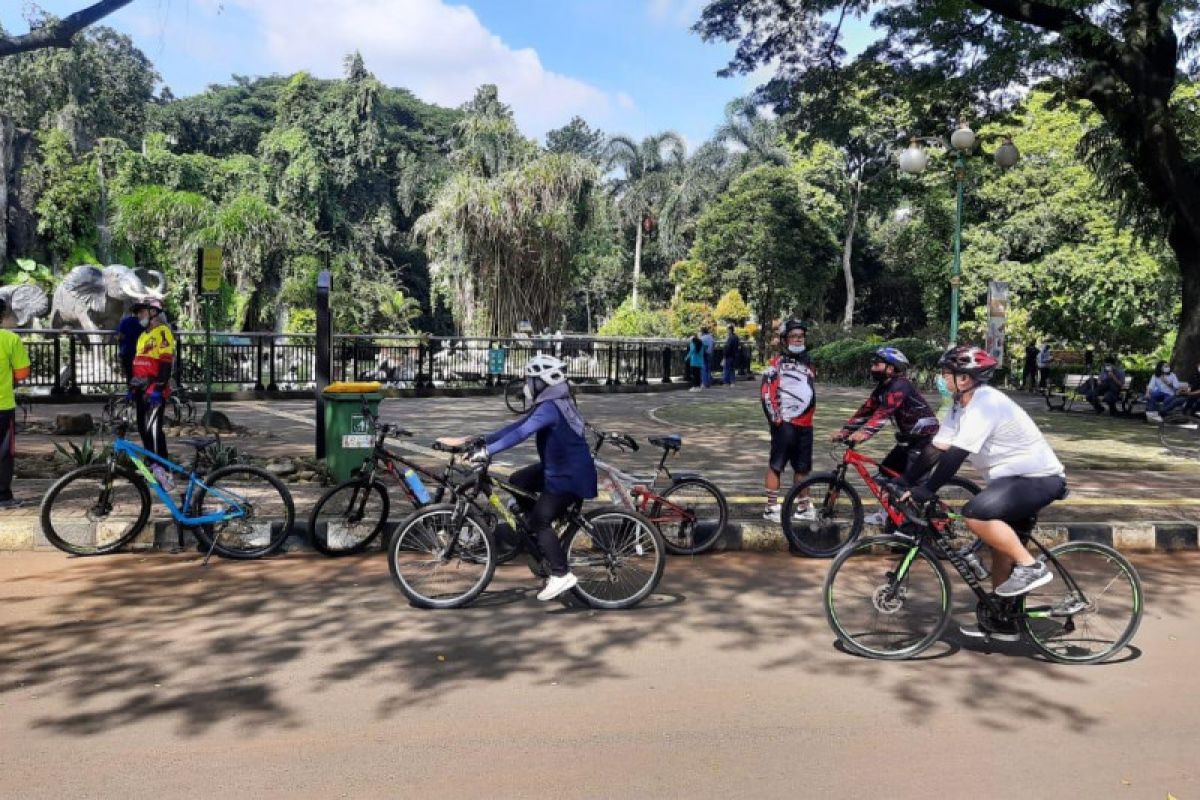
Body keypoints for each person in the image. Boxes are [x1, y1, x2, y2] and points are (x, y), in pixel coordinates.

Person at [897, 346, 1067, 641]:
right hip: (1011, 482)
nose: (942, 378)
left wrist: (927, 489)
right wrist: (906, 481)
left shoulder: (986, 403)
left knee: (974, 513)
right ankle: (1004, 620)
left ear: (964, 378)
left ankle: (1031, 567)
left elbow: (956, 456)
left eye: (946, 373)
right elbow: (938, 448)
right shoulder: (958, 405)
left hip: (1037, 479)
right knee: (1000, 554)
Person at [437, 355, 593, 601]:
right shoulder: (551, 403)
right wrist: (480, 440)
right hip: (560, 470)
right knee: (518, 480)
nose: (526, 385)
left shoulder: (551, 408)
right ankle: (537, 537)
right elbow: (515, 427)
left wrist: (487, 452)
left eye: (530, 379)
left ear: (543, 380)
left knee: (541, 521)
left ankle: (561, 573)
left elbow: (520, 434)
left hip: (569, 477)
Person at [831, 347, 940, 526]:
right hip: (907, 441)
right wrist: (845, 432)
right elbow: (866, 411)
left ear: (891, 368)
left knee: (912, 484)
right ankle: (887, 513)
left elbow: (882, 414)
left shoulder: (900, 386)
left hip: (924, 441)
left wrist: (863, 434)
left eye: (877, 364)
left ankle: (916, 527)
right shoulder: (884, 387)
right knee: (885, 475)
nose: (873, 368)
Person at [760, 319, 816, 523]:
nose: (798, 339)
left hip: (805, 425)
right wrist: (777, 421)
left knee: (803, 468)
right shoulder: (775, 364)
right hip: (785, 425)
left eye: (801, 336)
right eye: (793, 336)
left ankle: (803, 506)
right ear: (785, 340)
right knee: (777, 465)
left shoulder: (809, 363)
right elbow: (767, 393)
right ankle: (771, 507)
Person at [129, 298, 176, 489]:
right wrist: (132, 388)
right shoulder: (142, 336)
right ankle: (153, 467)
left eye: (142, 312)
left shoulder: (162, 332)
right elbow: (139, 363)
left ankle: (165, 472)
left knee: (154, 430)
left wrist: (159, 387)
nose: (139, 315)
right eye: (137, 313)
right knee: (142, 429)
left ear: (154, 313)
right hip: (140, 389)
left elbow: (165, 363)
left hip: (154, 390)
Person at [0, 297, 31, 508]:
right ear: (2, 316)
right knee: (3, 452)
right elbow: (22, 373)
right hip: (2, 405)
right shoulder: (10, 339)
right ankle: (3, 496)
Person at [117, 310, 144, 382]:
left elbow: (119, 337)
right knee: (141, 377)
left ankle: (131, 391)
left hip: (126, 352)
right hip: (141, 354)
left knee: (129, 376)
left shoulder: (124, 321)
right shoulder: (144, 324)